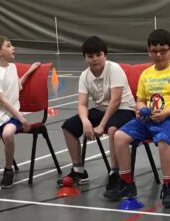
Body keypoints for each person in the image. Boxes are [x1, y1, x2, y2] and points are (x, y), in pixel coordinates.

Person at [104, 28, 170, 209]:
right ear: (149, 51)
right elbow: (140, 100)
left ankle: (167, 187)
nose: (159, 55)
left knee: (162, 139)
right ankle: (127, 183)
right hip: (149, 119)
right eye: (154, 51)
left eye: (163, 51)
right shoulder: (146, 74)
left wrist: (166, 113)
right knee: (119, 136)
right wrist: (141, 108)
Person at [58, 35, 137, 191]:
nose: (94, 59)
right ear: (85, 58)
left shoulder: (114, 69)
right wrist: (85, 121)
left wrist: (101, 126)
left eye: (98, 55)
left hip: (124, 109)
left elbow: (115, 101)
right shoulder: (85, 75)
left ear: (105, 55)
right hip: (101, 109)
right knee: (68, 127)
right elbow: (82, 104)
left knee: (112, 129)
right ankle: (79, 171)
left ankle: (115, 173)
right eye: (90, 56)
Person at [0, 35, 36, 187]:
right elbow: (3, 100)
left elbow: (16, 85)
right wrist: (23, 119)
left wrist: (30, 71)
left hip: (11, 116)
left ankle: (8, 169)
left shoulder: (12, 67)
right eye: (8, 45)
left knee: (7, 134)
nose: (13, 48)